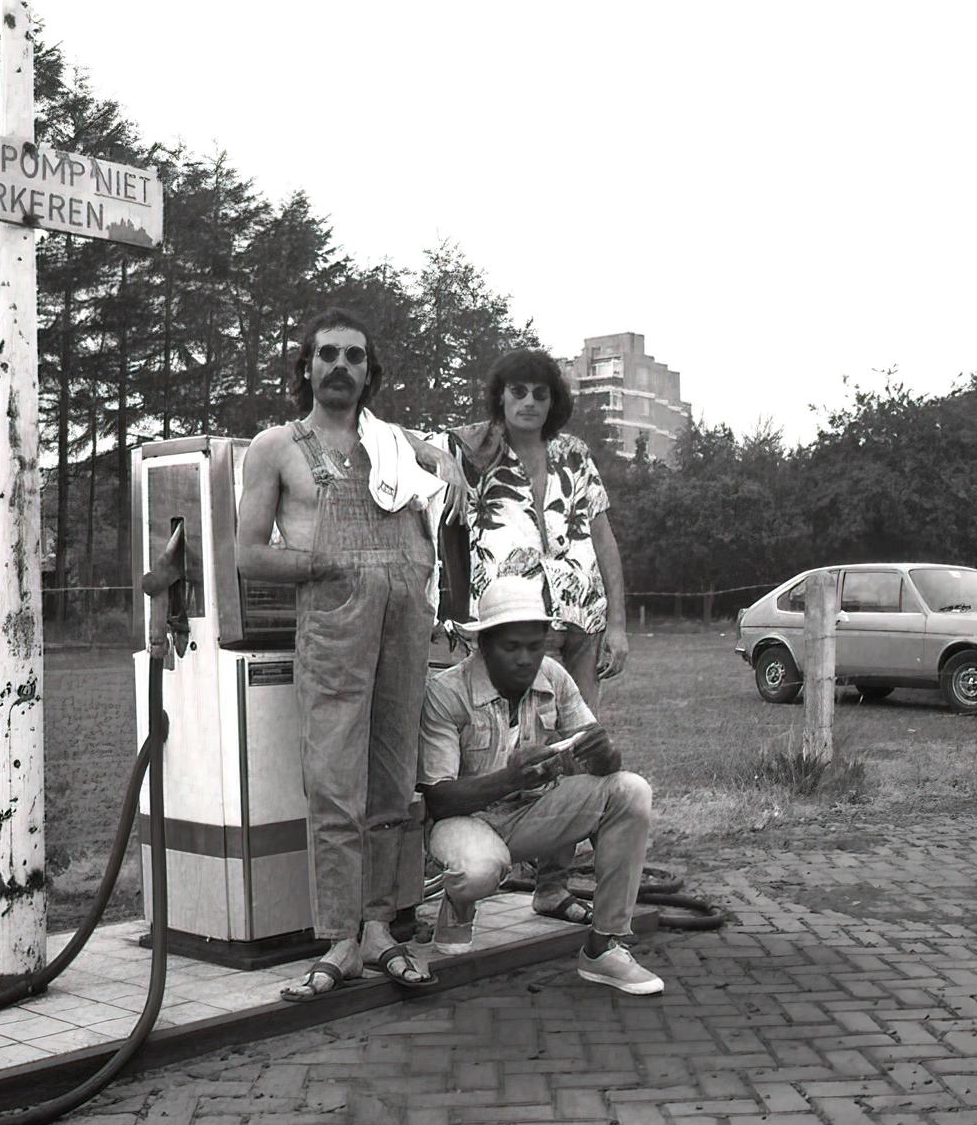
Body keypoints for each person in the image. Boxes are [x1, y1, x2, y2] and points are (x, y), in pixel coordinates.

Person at [236, 307, 468, 1002]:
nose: (341, 365)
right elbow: (249, 555)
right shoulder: (277, 446)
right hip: (335, 622)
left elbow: (450, 483)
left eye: (355, 356)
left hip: (405, 624)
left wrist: (444, 460)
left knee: (393, 783)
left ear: (370, 372)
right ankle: (338, 936)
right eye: (328, 353)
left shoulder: (393, 444)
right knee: (335, 783)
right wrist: (326, 561)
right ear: (305, 364)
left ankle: (380, 928)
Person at [416, 574, 663, 996]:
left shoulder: (554, 677)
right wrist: (509, 778)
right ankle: (459, 901)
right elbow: (438, 798)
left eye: (534, 646)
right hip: (464, 820)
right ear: (484, 643)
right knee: (478, 869)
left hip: (532, 814)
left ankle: (604, 948)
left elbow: (601, 758)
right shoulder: (446, 693)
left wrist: (604, 753)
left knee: (630, 790)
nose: (525, 659)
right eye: (511, 647)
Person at [450, 349, 630, 706]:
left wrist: (618, 624)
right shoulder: (473, 454)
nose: (529, 401)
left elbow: (603, 539)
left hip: (582, 615)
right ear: (500, 396)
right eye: (518, 391)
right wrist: (439, 456)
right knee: (511, 733)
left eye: (540, 393)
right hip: (510, 620)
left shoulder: (575, 455)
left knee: (582, 733)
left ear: (553, 401)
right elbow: (403, 441)